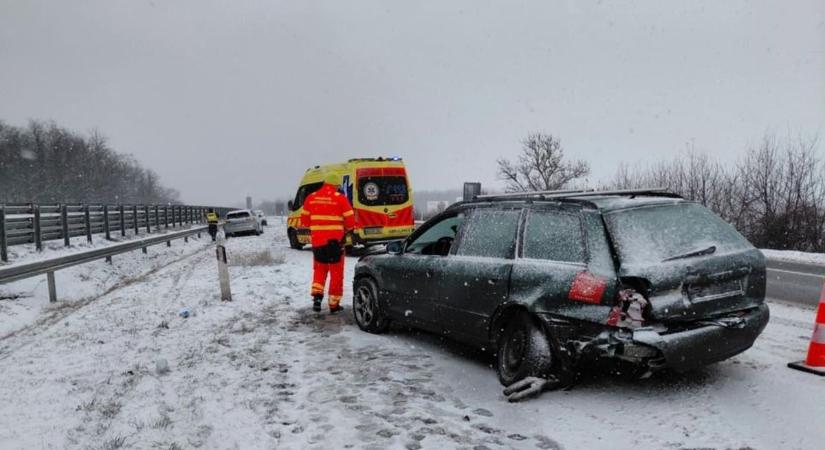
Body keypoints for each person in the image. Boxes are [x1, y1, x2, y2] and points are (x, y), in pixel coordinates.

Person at [300, 173, 355, 313]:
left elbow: (305, 221)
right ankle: (333, 304)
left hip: (318, 243)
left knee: (320, 270)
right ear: (336, 185)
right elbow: (350, 222)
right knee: (336, 274)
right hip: (335, 244)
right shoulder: (341, 199)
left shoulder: (311, 198)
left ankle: (317, 298)